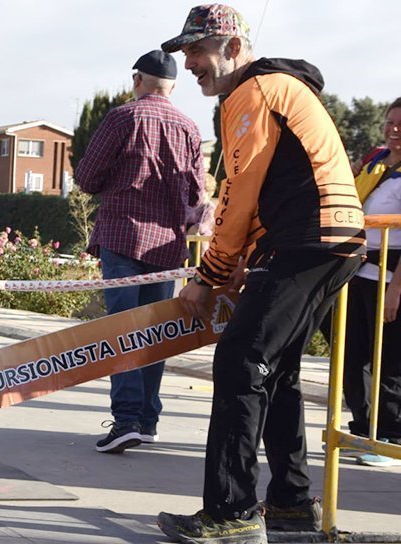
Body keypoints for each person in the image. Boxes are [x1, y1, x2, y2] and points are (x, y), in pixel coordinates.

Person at [157, 5, 366, 542]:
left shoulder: (251, 93)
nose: (190, 63)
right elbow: (272, 188)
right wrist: (240, 262)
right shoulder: (279, 88)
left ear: (231, 47)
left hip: (306, 241)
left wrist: (210, 273)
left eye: (196, 51)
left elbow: (239, 190)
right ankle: (292, 504)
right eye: (184, 53)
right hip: (329, 241)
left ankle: (231, 513)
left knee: (240, 361)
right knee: (278, 369)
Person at [75, 49, 205, 454]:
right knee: (154, 334)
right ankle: (147, 419)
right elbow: (198, 196)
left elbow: (86, 177)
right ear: (172, 86)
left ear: (137, 80)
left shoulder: (122, 118)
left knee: (122, 330)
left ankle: (127, 419)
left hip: (123, 236)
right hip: (167, 246)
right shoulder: (190, 127)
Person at [341, 97, 401, 467]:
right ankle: (365, 429)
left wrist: (397, 289)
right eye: (390, 122)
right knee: (353, 355)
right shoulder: (377, 162)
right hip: (360, 271)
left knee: (390, 359)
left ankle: (392, 435)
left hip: (391, 276)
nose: (393, 129)